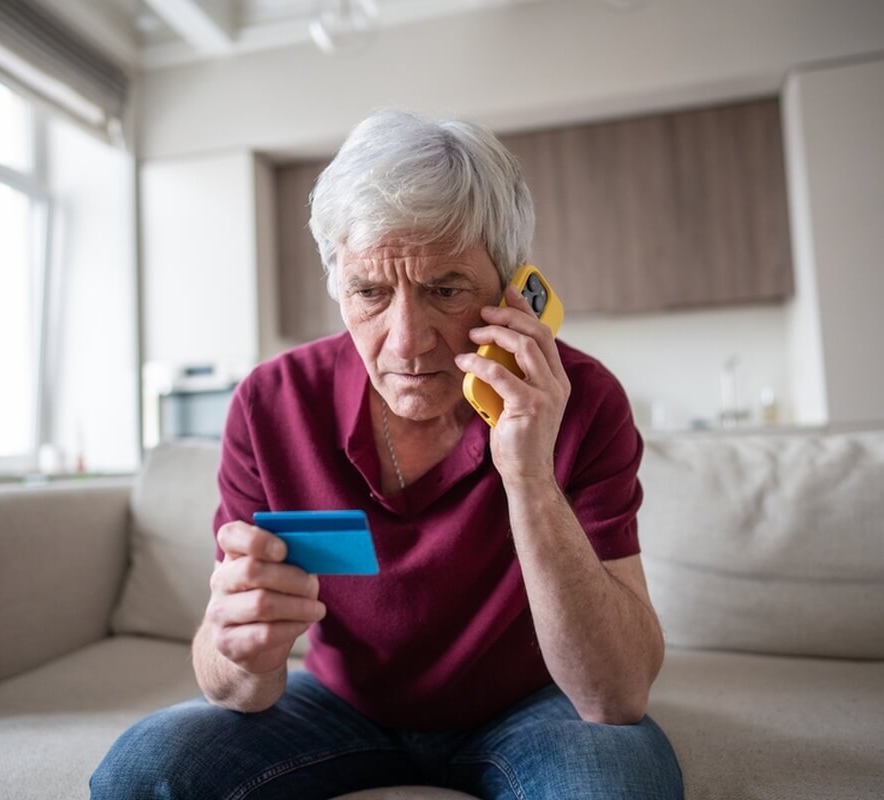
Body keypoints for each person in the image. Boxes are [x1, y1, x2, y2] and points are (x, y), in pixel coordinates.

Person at [91, 109, 683, 799]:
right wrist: (241, 655)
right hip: (341, 703)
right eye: (369, 292)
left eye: (446, 290)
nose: (406, 341)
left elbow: (616, 696)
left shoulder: (584, 399)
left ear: (513, 291)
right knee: (140, 774)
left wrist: (527, 474)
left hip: (529, 705)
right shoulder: (271, 402)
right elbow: (231, 682)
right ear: (338, 286)